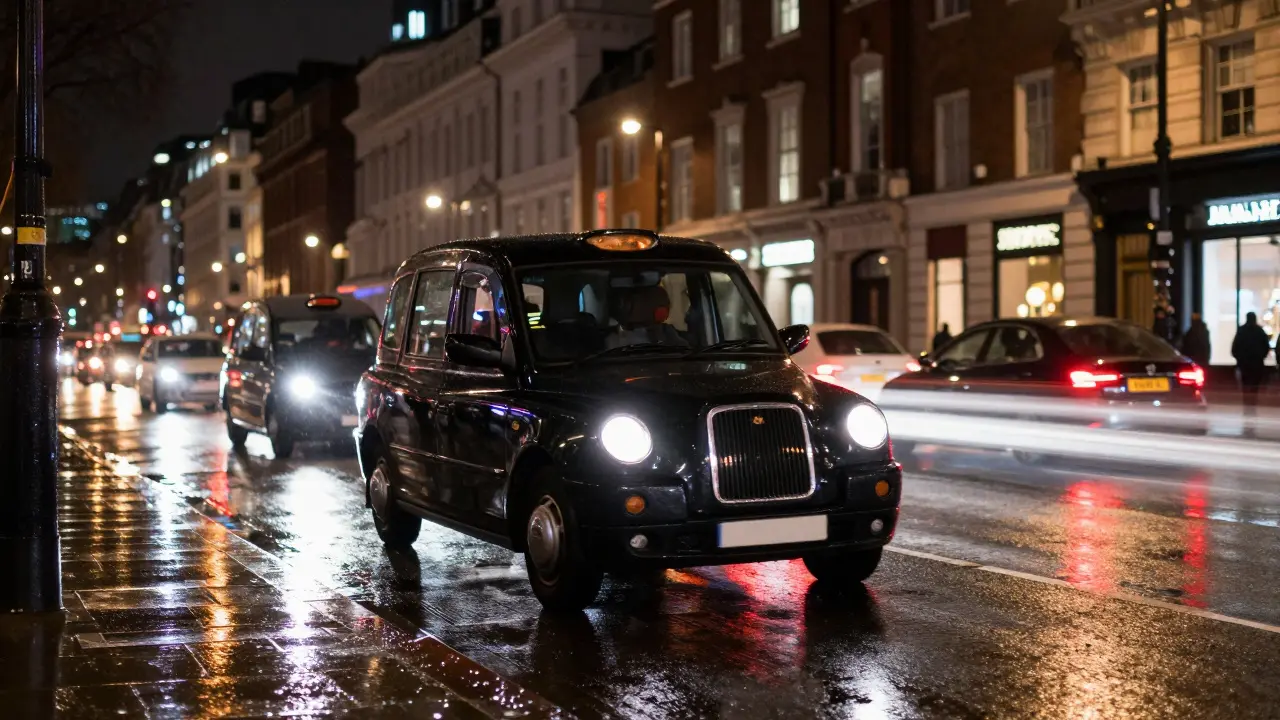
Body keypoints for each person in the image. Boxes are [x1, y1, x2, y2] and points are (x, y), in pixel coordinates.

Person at [1231, 311, 1271, 421]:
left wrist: (1239, 358)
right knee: (1254, 386)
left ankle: (1247, 404)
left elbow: (1234, 348)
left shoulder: (1241, 331)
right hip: (1256, 364)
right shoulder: (1260, 331)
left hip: (1244, 364)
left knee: (1245, 385)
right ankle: (1252, 403)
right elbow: (1266, 347)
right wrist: (1260, 357)